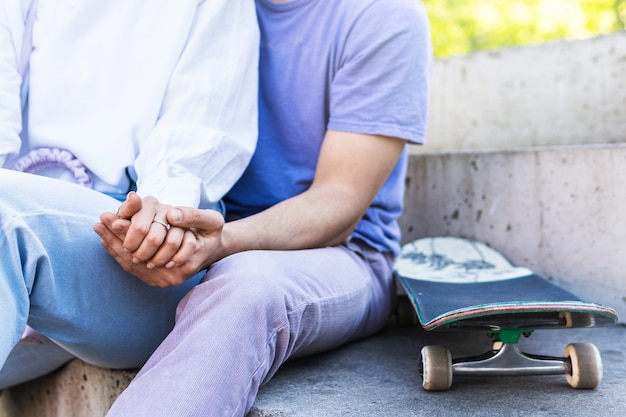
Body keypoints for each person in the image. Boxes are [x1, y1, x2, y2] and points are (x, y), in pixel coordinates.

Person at [97, 0, 433, 415]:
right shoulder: (200, 9)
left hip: (338, 257)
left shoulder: (382, 16)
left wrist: (223, 242)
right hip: (191, 241)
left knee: (246, 284)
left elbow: (338, 204)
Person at [0, 0, 259, 388]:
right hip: (19, 243)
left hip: (124, 260)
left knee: (7, 213)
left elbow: (188, 155)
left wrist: (156, 226)